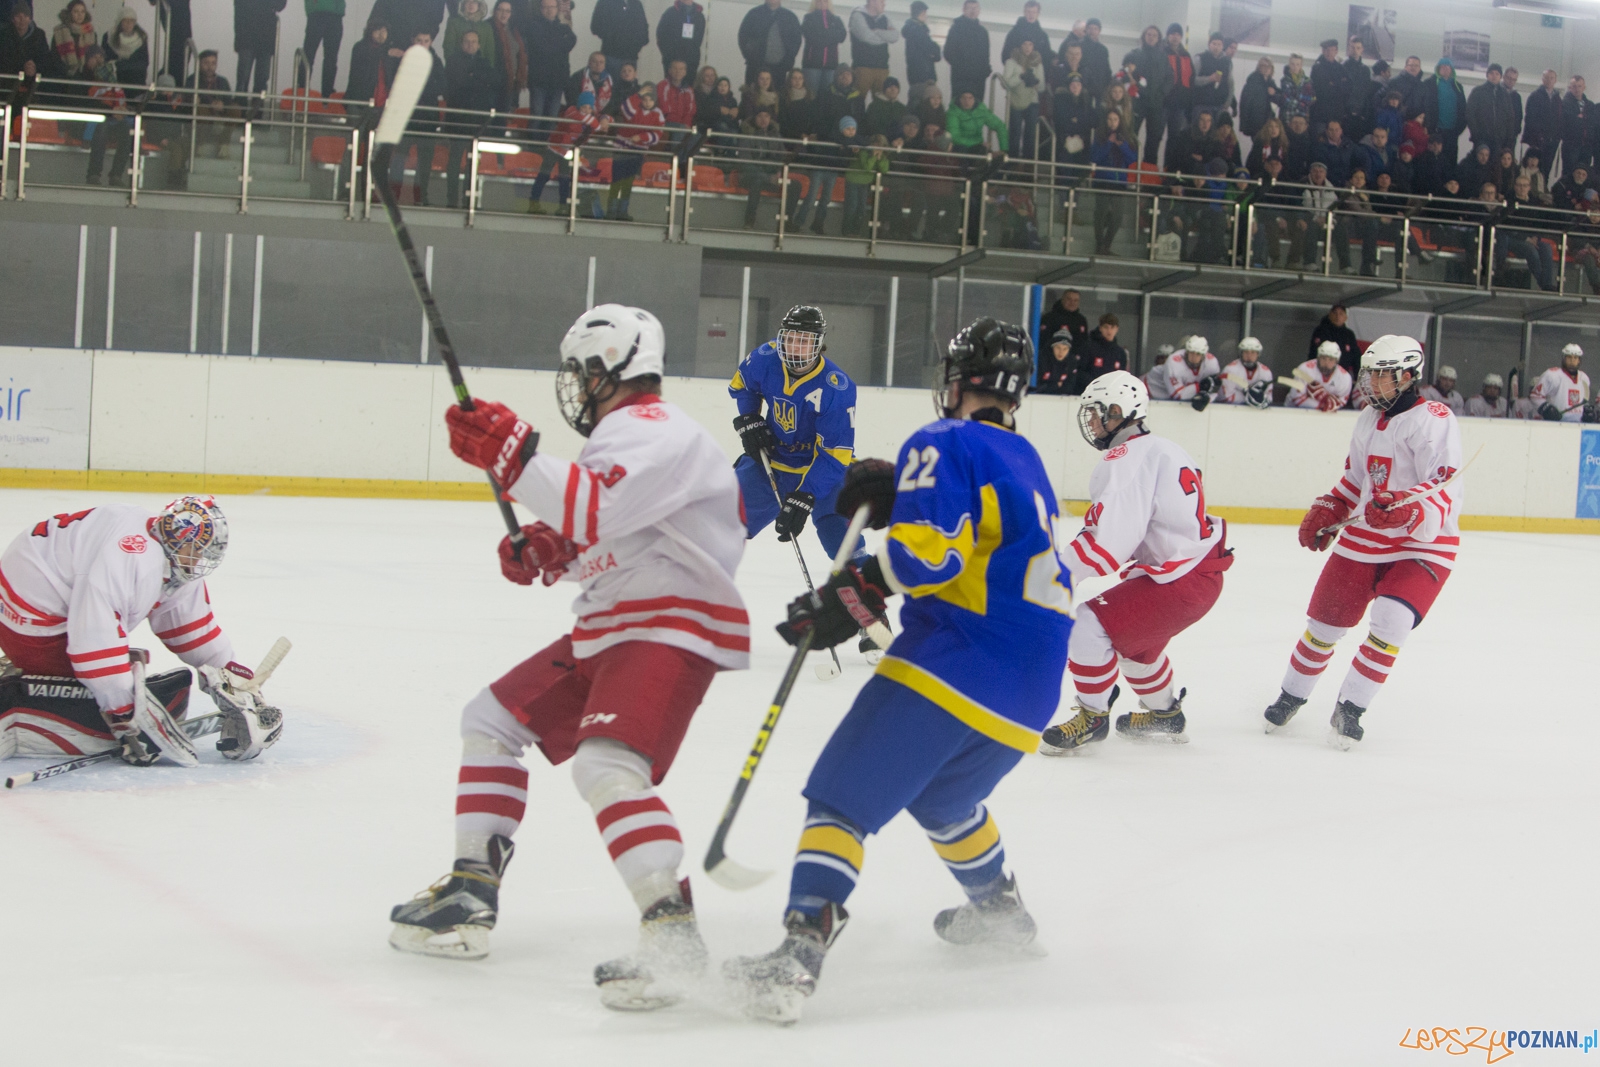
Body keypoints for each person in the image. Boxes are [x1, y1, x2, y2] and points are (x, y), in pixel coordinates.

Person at [390, 306, 748, 1013]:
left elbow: (594, 505)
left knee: (606, 765)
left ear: (608, 365)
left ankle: (672, 933)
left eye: (582, 370)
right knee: (491, 718)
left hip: (667, 620)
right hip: (615, 622)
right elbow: (604, 530)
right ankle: (470, 890)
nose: (576, 385)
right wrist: (556, 550)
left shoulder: (655, 429)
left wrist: (515, 455)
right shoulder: (624, 434)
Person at [723, 318, 1069, 1025]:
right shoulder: (1025, 456)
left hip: (954, 662)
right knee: (944, 800)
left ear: (956, 379)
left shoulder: (941, 439)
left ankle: (801, 948)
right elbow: (975, 536)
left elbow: (933, 556)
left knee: (841, 798)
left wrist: (853, 590)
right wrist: (902, 503)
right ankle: (1000, 910)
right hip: (1031, 688)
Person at [1263, 335, 1463, 747]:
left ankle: (1350, 709)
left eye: (1381, 375)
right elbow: (1356, 480)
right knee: (1323, 623)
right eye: (1369, 374)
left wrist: (1406, 507)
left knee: (1392, 621)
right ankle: (1291, 695)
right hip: (1366, 537)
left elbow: (1444, 487)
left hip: (1422, 544)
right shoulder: (1369, 419)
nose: (1371, 383)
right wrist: (1331, 508)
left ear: (1407, 375)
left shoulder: (1435, 418)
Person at [0, 496, 280, 766]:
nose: (200, 560)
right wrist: (127, 719)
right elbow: (93, 644)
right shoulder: (132, 555)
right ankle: (17, 707)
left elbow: (193, 628)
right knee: (126, 685)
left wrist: (233, 678)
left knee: (145, 685)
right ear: (181, 539)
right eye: (197, 551)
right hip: (28, 621)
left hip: (34, 602)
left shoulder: (166, 551)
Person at [1039, 370, 1229, 752]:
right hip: (1197, 573)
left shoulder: (1127, 456)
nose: (1091, 422)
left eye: (1097, 413)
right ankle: (1167, 715)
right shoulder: (1165, 447)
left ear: (1119, 410)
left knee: (1089, 626)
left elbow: (1109, 540)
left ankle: (1092, 717)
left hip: (1182, 579)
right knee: (1138, 649)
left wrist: (1058, 575)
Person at [729, 306, 870, 585]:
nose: (796, 346)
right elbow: (743, 384)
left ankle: (869, 604)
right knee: (719, 521)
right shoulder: (765, 357)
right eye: (791, 338)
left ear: (819, 344)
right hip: (772, 460)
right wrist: (749, 418)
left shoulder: (836, 388)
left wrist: (804, 495)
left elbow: (834, 454)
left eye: (804, 340)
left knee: (838, 536)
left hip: (822, 471)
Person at [526, 89, 608, 213]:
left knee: (564, 180)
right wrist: (597, 122)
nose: (586, 110)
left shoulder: (588, 121)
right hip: (554, 149)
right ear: (578, 105)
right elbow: (591, 122)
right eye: (584, 106)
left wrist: (605, 118)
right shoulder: (571, 111)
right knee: (543, 176)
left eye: (589, 108)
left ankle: (563, 206)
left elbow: (603, 122)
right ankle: (533, 203)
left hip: (568, 153)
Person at [445, 27, 495, 208]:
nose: (470, 45)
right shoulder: (452, 61)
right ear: (461, 44)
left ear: (479, 44)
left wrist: (473, 78)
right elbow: (459, 84)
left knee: (472, 163)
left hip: (476, 122)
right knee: (454, 162)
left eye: (474, 42)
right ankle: (452, 200)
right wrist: (476, 80)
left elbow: (492, 83)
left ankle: (469, 200)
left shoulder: (484, 62)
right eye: (467, 41)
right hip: (457, 120)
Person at [1090, 110, 1134, 253]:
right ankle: (1099, 245)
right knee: (1101, 213)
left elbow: (1133, 159)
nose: (1112, 122)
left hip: (1119, 181)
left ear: (1120, 121)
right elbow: (1095, 157)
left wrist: (1122, 145)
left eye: (1115, 119)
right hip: (1103, 180)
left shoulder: (1126, 138)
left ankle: (1107, 245)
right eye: (1109, 119)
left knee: (1117, 217)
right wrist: (1109, 143)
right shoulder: (1100, 137)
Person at [737, 0, 801, 90]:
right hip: (756, 67)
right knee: (752, 98)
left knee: (777, 99)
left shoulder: (790, 17)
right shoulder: (754, 14)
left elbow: (796, 41)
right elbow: (743, 37)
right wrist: (750, 57)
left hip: (780, 68)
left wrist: (788, 60)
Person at [521, 0, 568, 119]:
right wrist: (559, 43)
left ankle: (547, 138)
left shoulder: (564, 27)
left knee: (552, 116)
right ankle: (534, 138)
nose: (549, 9)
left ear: (557, 9)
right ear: (541, 9)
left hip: (558, 79)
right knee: (537, 115)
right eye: (546, 7)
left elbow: (572, 40)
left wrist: (552, 43)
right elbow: (542, 47)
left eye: (552, 7)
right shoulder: (533, 26)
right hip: (538, 79)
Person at [1146, 334, 1220, 404]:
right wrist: (1200, 387)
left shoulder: (1211, 363)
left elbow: (1214, 389)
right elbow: (1178, 395)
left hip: (1165, 400)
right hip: (1151, 391)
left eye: (1198, 354)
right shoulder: (1174, 362)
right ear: (1186, 351)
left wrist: (1206, 398)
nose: (1194, 357)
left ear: (1204, 355)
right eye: (1191, 352)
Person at [234, 0, 287, 97]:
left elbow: (281, 4)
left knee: (262, 81)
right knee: (243, 79)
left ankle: (259, 108)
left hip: (265, 40)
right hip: (247, 38)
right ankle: (240, 108)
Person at [1000, 39, 1042, 159]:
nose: (1027, 47)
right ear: (1020, 45)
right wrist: (1021, 77)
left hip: (1032, 101)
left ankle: (1028, 167)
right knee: (1015, 133)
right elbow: (1005, 84)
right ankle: (1012, 164)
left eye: (1030, 44)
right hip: (1015, 101)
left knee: (1030, 134)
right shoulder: (1011, 62)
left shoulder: (1038, 63)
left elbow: (1042, 86)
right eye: (1024, 43)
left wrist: (1034, 81)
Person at [847, 0, 897, 101]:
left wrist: (877, 31)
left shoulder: (885, 18)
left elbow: (895, 36)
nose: (884, 3)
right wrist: (885, 36)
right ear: (873, 2)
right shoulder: (857, 15)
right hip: (863, 68)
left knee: (881, 105)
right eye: (882, 1)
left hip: (882, 68)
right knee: (857, 102)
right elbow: (867, 37)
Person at [942, 0, 988, 105]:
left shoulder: (983, 32)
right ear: (963, 10)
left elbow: (985, 56)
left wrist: (985, 70)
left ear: (979, 11)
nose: (973, 11)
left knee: (976, 107)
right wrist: (961, 67)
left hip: (978, 78)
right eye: (970, 8)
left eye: (975, 8)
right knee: (959, 105)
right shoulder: (955, 29)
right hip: (960, 77)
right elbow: (948, 52)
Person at [1, 1, 63, 78]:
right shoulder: (3, 35)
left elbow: (45, 59)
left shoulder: (39, 35)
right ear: (13, 19)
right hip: (8, 80)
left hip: (34, 81)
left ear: (30, 19)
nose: (22, 19)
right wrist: (22, 67)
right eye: (18, 16)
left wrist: (34, 67)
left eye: (25, 16)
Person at [1287, 340, 1354, 411]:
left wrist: (1326, 405)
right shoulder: (1304, 369)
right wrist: (1323, 405)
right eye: (1323, 358)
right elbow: (1297, 398)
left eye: (1331, 360)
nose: (1326, 363)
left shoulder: (1344, 377)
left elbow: (1340, 402)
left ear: (1336, 361)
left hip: (1327, 415)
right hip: (1294, 411)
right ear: (1318, 357)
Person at [589, 0, 646, 83]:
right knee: (609, 87)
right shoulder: (605, 2)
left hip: (631, 57)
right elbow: (595, 26)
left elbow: (643, 27)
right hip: (611, 55)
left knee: (629, 90)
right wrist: (612, 37)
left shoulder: (635, 3)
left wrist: (638, 45)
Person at [1421, 58, 1467, 161]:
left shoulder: (1458, 86)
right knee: (1432, 159)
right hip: (1435, 131)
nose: (1445, 69)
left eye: (1448, 67)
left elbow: (1463, 109)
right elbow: (1424, 106)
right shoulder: (1429, 84)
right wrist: (1427, 126)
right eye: (1442, 66)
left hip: (1452, 132)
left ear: (1452, 70)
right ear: (1437, 69)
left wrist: (1459, 128)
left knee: (1450, 160)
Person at [1530, 344, 1589, 421]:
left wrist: (1587, 413)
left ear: (1579, 360)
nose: (1572, 360)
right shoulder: (1552, 375)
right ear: (1564, 358)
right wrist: (1546, 409)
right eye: (1569, 357)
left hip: (1577, 426)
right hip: (1556, 425)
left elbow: (1583, 401)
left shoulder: (1584, 378)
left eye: (1575, 357)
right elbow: (1535, 396)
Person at [800, 0, 846, 98]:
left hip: (831, 65)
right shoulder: (808, 18)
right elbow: (812, 37)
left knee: (827, 97)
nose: (822, 3)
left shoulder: (836, 19)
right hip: (812, 65)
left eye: (825, 1)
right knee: (811, 97)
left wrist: (823, 34)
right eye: (819, 1)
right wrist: (831, 36)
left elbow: (842, 36)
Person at [300, 0, 346, 98]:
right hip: (320, 13)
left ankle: (326, 92)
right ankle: (303, 89)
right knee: (311, 55)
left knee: (328, 58)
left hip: (332, 15)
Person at [1071, 313, 1127, 393]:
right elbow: (1080, 372)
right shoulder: (1088, 347)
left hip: (1110, 395)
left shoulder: (1120, 353)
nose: (1109, 331)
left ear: (1117, 329)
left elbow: (1122, 377)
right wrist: (1097, 385)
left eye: (1112, 327)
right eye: (1106, 327)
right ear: (1100, 328)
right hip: (1089, 394)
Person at [1523, 70, 1562, 181]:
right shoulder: (1535, 96)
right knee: (1534, 167)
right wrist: (1538, 136)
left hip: (1553, 140)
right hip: (1537, 140)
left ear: (1555, 80)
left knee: (1547, 167)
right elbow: (1530, 118)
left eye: (1551, 78)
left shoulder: (1558, 98)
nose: (1549, 80)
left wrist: (1558, 136)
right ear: (1542, 79)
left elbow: (1560, 119)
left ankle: (1543, 189)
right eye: (1546, 77)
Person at [948, 88, 1005, 155]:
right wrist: (977, 143)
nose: (967, 101)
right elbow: (954, 137)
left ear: (974, 99)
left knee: (983, 152)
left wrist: (1004, 150)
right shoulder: (952, 112)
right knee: (962, 150)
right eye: (964, 98)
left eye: (970, 98)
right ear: (959, 99)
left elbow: (1000, 126)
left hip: (977, 147)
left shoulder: (981, 111)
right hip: (959, 146)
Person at [1310, 303, 1360, 379]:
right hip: (1320, 375)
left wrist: (1358, 378)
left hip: (1342, 376)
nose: (1338, 317)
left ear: (1345, 317)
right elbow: (1313, 354)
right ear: (1330, 315)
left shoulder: (1349, 335)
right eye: (1335, 313)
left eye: (1341, 314)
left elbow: (1356, 358)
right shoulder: (1321, 331)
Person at [1220, 337, 1273, 407]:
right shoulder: (1230, 369)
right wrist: (1249, 397)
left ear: (1258, 354)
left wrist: (1261, 399)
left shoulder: (1265, 372)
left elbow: (1269, 398)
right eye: (1246, 352)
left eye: (1253, 352)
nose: (1249, 356)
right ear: (1241, 353)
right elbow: (1225, 397)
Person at [656, 0, 703, 78]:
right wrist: (669, 55)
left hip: (691, 60)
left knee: (688, 87)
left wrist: (692, 55)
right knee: (671, 86)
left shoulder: (699, 16)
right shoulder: (670, 13)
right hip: (671, 59)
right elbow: (661, 36)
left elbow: (698, 40)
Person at [901, 0, 937, 100]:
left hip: (915, 73)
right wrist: (935, 51)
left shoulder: (911, 30)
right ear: (923, 13)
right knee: (923, 103)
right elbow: (930, 48)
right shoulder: (918, 30)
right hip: (923, 74)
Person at [1560, 77, 1593, 178]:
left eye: (1579, 86)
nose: (1577, 89)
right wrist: (1578, 119)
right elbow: (1565, 123)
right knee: (1569, 172)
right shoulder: (1563, 104)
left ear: (1584, 87)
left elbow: (1592, 123)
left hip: (1586, 145)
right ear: (1569, 87)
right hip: (1571, 145)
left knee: (1584, 173)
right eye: (1574, 86)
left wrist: (1578, 118)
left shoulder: (1590, 105)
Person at [52, 0, 95, 78]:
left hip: (86, 76)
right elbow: (54, 58)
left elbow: (93, 54)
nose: (80, 15)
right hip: (64, 76)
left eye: (82, 11)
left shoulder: (90, 32)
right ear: (70, 13)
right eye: (76, 11)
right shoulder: (60, 32)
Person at [1035, 328, 1075, 394]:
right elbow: (1036, 386)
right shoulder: (1042, 359)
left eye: (1065, 349)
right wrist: (1055, 385)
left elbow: (1070, 387)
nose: (1061, 352)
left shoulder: (1071, 362)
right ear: (1053, 347)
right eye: (1058, 348)